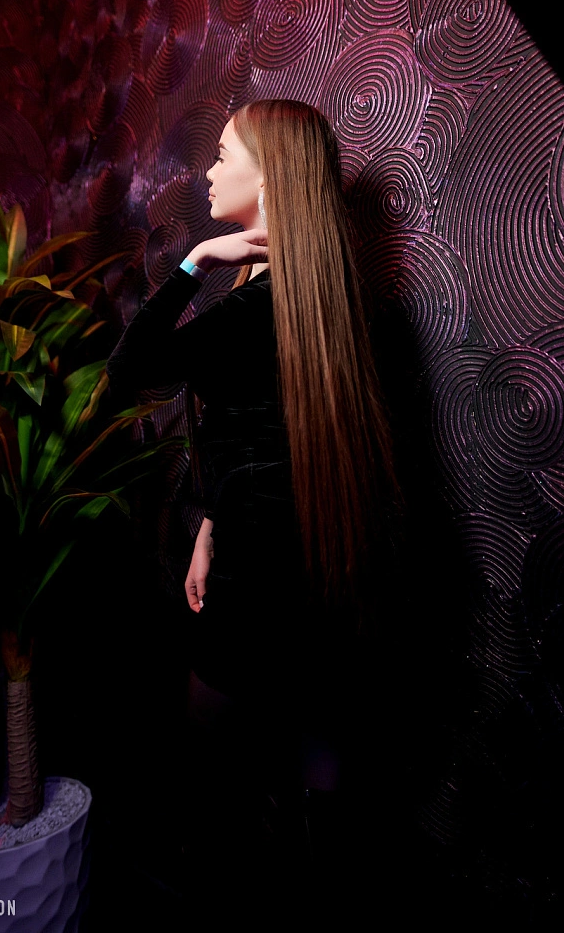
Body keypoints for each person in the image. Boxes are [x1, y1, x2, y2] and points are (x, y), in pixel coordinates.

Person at [106, 99, 397, 897]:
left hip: (261, 567)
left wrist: (196, 261)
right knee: (316, 738)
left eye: (224, 154)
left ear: (268, 180)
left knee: (217, 756)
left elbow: (127, 373)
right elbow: (270, 431)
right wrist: (210, 522)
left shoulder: (248, 304)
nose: (207, 170)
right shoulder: (320, 296)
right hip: (319, 556)